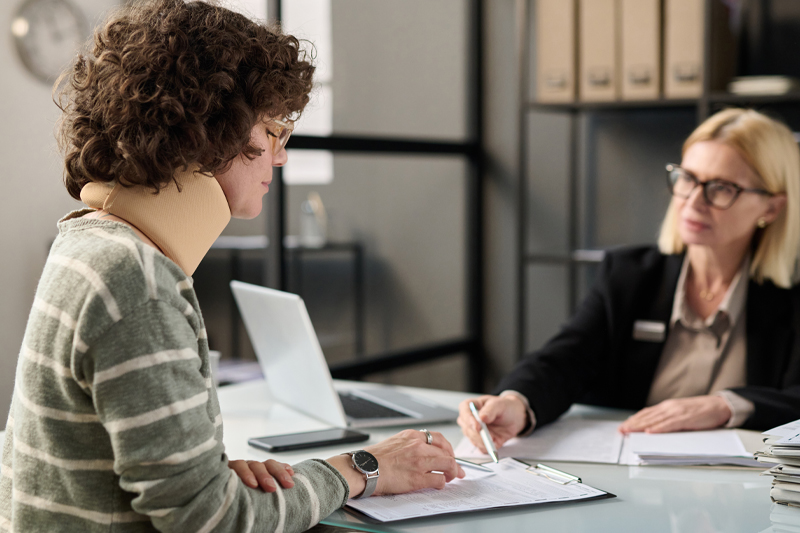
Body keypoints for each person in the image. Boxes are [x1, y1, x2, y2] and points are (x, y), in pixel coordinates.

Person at [0, 1, 463, 531]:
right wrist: (359, 468)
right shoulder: (137, 281)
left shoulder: (86, 240)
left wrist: (206, 476)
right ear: (208, 132)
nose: (280, 155)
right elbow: (211, 521)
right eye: (271, 131)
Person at [459, 108, 800, 453]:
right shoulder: (630, 274)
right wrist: (517, 402)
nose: (693, 202)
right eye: (687, 179)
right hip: (633, 481)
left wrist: (725, 405)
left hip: (748, 490)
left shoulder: (792, 295)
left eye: (722, 188)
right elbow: (566, 359)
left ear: (771, 208)